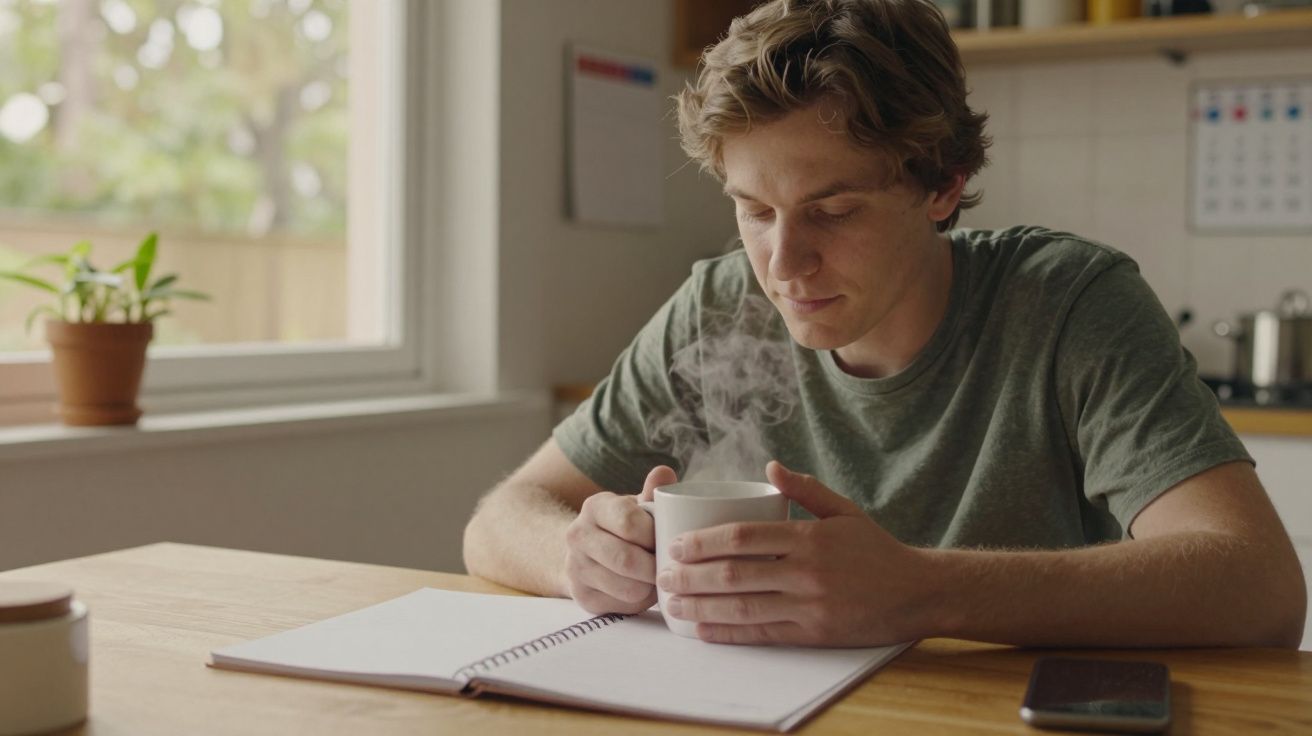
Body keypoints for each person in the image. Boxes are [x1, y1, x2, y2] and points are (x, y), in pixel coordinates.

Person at [463, 0, 1306, 648]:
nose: (783, 264)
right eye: (754, 210)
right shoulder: (719, 305)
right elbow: (501, 519)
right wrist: (577, 554)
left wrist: (924, 589)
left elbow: (1261, 589)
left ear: (942, 186)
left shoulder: (1068, 303)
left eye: (831, 210)